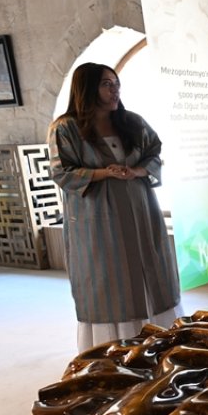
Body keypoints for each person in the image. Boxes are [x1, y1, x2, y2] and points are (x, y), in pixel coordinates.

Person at [48, 62, 181, 352]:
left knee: (150, 269)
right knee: (110, 279)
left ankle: (157, 345)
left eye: (116, 84)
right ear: (87, 89)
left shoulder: (132, 122)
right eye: (107, 84)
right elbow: (61, 172)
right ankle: (113, 353)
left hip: (141, 209)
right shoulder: (66, 128)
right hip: (97, 218)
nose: (114, 90)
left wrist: (138, 171)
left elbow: (155, 153)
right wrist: (103, 173)